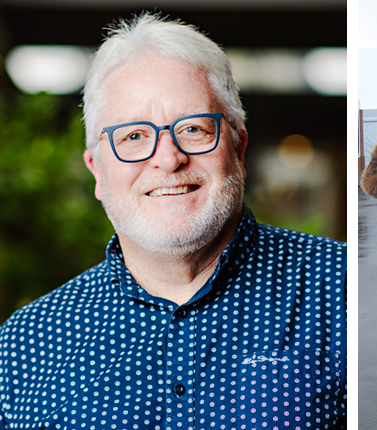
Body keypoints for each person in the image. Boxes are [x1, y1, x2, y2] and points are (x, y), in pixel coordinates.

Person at [0, 13, 345, 428]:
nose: (168, 158)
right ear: (96, 171)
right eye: (133, 137)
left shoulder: (342, 288)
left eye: (195, 129)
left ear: (238, 148)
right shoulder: (24, 343)